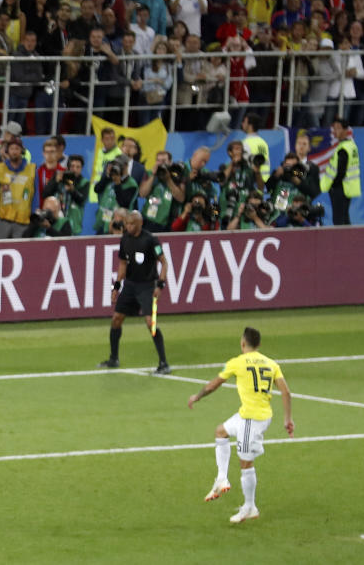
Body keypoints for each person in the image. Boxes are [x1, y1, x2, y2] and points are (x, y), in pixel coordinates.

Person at [187, 327, 294, 524]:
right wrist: (288, 419)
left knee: (246, 464)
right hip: (256, 415)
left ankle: (249, 507)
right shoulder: (271, 364)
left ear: (242, 343)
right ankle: (221, 478)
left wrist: (198, 396)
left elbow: (213, 385)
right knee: (221, 431)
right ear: (259, 345)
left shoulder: (237, 362)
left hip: (251, 420)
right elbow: (286, 393)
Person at [100, 211, 170, 375]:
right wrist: (116, 287)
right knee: (116, 319)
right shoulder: (125, 239)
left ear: (139, 224)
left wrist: (160, 285)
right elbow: (122, 264)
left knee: (150, 323)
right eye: (127, 224)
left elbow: (164, 263)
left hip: (147, 286)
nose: (128, 227)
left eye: (131, 224)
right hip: (130, 285)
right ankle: (113, 359)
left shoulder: (151, 240)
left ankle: (163, 363)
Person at [319, 118, 360, 225]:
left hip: (340, 188)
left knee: (338, 220)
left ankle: (341, 241)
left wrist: (333, 185)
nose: (335, 131)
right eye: (334, 128)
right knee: (345, 218)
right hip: (347, 187)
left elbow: (341, 171)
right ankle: (349, 241)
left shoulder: (344, 149)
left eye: (338, 128)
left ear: (346, 130)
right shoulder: (352, 146)